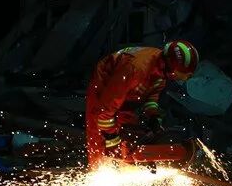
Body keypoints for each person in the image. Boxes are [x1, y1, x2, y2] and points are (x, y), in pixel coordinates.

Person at [85, 40, 199, 169]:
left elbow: (152, 95)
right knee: (98, 126)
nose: (177, 78)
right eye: (178, 74)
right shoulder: (136, 68)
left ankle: (124, 157)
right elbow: (105, 110)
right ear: (171, 66)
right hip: (106, 80)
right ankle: (97, 168)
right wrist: (111, 138)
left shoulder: (161, 69)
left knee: (128, 126)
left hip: (129, 81)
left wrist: (153, 116)